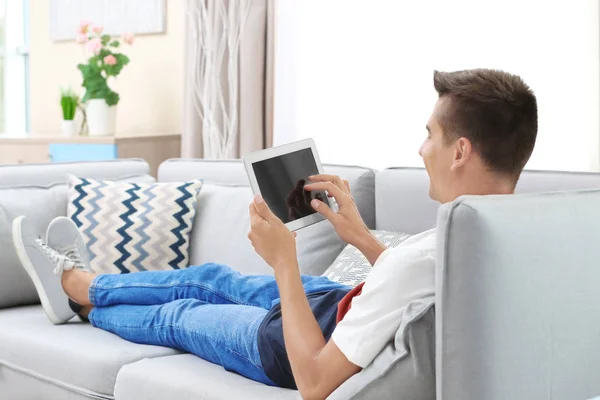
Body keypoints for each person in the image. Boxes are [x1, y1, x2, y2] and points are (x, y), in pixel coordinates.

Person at [12, 68, 538, 400]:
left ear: (462, 151)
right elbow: (418, 286)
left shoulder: (460, 236)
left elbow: (313, 382)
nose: (421, 149)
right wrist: (359, 238)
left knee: (181, 316)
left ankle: (75, 289)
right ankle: (82, 289)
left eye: (430, 135)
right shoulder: (502, 233)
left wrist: (285, 261)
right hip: (338, 305)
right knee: (210, 276)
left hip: (290, 349)